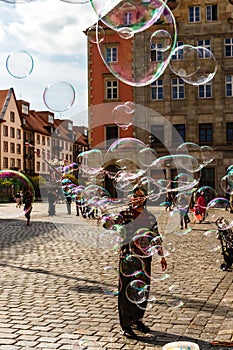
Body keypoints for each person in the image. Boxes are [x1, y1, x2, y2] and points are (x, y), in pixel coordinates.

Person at [105, 186, 167, 339]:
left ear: (144, 199)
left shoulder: (150, 217)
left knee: (142, 291)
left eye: (140, 196)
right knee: (125, 291)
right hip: (128, 257)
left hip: (145, 259)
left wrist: (162, 256)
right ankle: (125, 325)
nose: (136, 198)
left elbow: (156, 237)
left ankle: (137, 320)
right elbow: (110, 226)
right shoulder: (125, 213)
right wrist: (107, 219)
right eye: (134, 195)